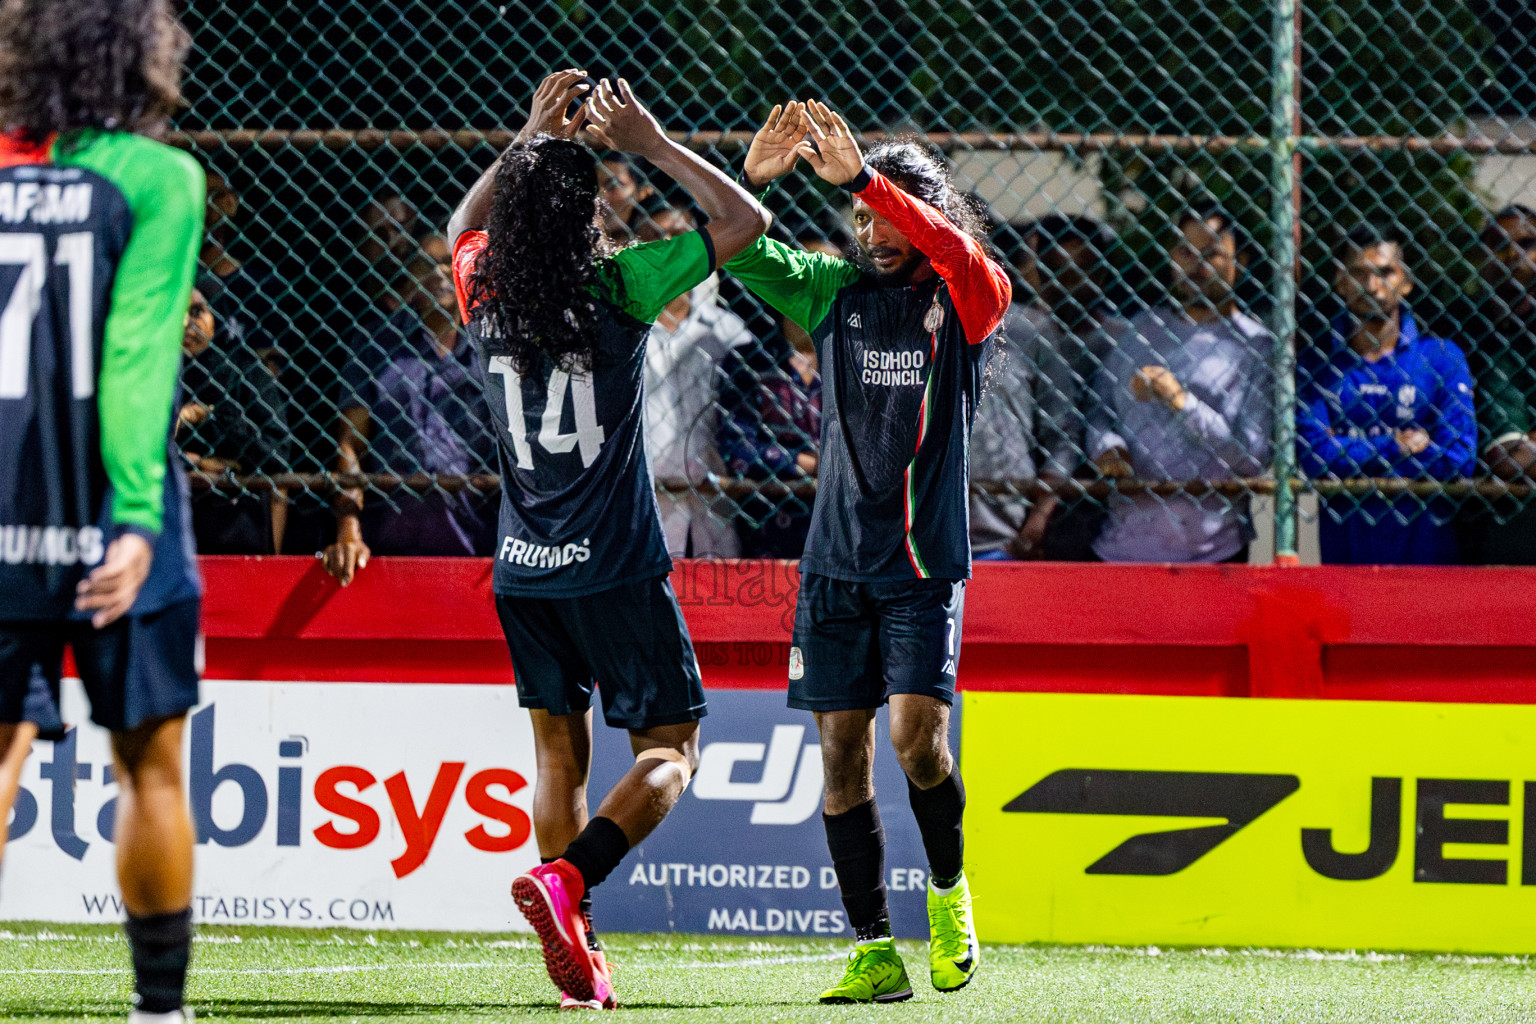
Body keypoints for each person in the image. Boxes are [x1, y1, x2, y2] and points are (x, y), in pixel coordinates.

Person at [445, 72, 769, 1008]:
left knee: (557, 753)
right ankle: (569, 882)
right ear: (590, 215)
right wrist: (652, 144)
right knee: (670, 750)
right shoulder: (624, 283)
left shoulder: (482, 286)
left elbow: (457, 236)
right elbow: (745, 222)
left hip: (522, 565)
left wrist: (521, 140)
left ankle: (577, 952)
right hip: (616, 563)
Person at [726, 101, 1009, 1003]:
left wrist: (862, 177)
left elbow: (968, 259)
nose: (870, 230)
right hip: (834, 568)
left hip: (922, 567)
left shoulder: (966, 298)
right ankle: (874, 951)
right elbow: (736, 247)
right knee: (842, 757)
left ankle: (951, 890)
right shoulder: (830, 292)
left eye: (886, 213)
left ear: (921, 211)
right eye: (858, 218)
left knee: (917, 745)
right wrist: (751, 183)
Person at [0, 2, 204, 1022]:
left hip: (0, 496)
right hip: (106, 504)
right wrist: (133, 515)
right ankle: (158, 1011)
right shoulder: (158, 177)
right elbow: (135, 357)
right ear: (142, 52)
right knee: (149, 763)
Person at [1088, 203, 1274, 563]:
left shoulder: (1255, 346)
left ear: (1242, 261)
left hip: (1212, 552)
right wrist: (1107, 448)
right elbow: (1098, 409)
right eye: (1187, 252)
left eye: (1213, 254)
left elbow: (1253, 458)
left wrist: (1181, 401)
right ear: (1173, 257)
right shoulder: (1141, 331)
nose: (1198, 265)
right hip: (1122, 547)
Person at [1297, 222, 1476, 564]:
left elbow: (1459, 459)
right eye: (1359, 273)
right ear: (1340, 280)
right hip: (1345, 564)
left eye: (1385, 272)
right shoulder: (1317, 364)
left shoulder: (1441, 358)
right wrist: (1395, 445)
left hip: (1428, 563)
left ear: (1406, 282)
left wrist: (1349, 453)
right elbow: (1315, 458)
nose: (1372, 286)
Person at [321, 262, 497, 577]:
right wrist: (348, 529)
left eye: (448, 261)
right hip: (392, 530)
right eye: (426, 265)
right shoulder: (376, 344)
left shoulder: (488, 346)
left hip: (478, 534)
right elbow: (350, 444)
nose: (439, 272)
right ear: (410, 282)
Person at [640, 205, 751, 558]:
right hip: (642, 490)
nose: (670, 245)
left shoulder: (728, 331)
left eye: (680, 236)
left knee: (713, 597)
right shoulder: (624, 330)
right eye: (656, 238)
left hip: (711, 488)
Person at [178, 289, 291, 553]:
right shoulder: (158, 373)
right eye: (178, 312)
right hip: (174, 526)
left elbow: (277, 455)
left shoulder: (245, 370)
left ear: (217, 315)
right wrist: (186, 419)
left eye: (196, 312)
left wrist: (221, 418)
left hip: (237, 526)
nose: (186, 324)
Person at [1459, 205, 1536, 564]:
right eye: (1498, 243)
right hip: (1483, 524)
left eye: (1527, 242)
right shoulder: (1461, 326)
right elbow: (1507, 460)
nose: (1513, 254)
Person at [718, 311, 823, 558]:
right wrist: (809, 463)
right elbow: (739, 450)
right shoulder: (750, 361)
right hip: (766, 526)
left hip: (838, 525)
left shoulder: (849, 359)